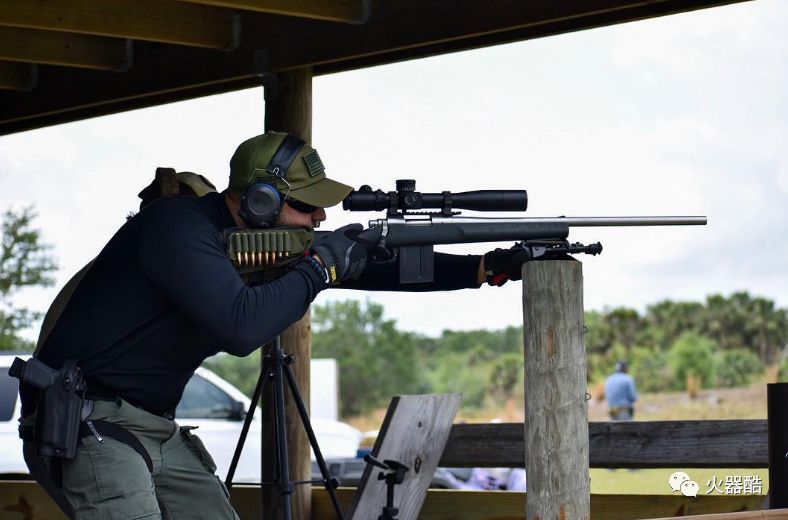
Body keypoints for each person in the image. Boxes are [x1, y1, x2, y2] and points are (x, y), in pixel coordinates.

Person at [18, 131, 533, 520]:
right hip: (91, 426)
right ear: (258, 200)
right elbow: (243, 327)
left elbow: (365, 265)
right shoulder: (175, 227)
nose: (319, 219)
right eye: (307, 206)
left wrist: (479, 269)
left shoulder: (251, 242)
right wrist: (319, 268)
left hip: (152, 428)